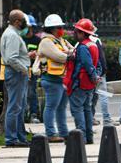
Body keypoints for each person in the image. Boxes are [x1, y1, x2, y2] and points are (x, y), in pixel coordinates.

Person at [37, 14, 73, 142]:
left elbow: (72, 50)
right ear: (51, 28)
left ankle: (63, 132)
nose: (61, 29)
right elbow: (59, 56)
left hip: (61, 79)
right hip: (51, 80)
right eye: (58, 27)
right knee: (51, 107)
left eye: (61, 27)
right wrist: (68, 55)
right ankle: (51, 133)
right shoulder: (46, 42)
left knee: (61, 107)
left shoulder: (61, 40)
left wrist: (69, 53)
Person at [64, 18, 99, 144]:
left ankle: (81, 137)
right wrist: (95, 77)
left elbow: (87, 64)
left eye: (77, 31)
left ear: (83, 33)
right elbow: (97, 65)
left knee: (77, 109)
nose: (75, 33)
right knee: (87, 109)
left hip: (80, 83)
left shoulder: (83, 47)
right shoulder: (93, 45)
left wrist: (93, 76)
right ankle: (88, 137)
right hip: (89, 84)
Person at [1, 10, 31, 147]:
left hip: (16, 72)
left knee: (19, 106)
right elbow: (12, 59)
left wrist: (27, 56)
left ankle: (20, 137)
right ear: (16, 21)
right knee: (15, 107)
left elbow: (14, 56)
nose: (25, 23)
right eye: (23, 20)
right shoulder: (12, 35)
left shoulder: (12, 34)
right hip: (16, 73)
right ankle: (11, 139)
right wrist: (24, 69)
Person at [92, 34, 115, 126]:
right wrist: (103, 72)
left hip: (88, 75)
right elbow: (101, 58)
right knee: (103, 96)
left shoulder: (79, 43)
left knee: (91, 98)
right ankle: (106, 119)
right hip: (98, 74)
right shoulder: (96, 40)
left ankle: (91, 118)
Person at [24, 14, 42, 123]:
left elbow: (42, 54)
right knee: (23, 93)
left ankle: (33, 114)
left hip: (32, 70)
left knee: (32, 93)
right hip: (21, 70)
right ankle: (24, 115)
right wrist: (27, 55)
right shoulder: (20, 39)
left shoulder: (37, 40)